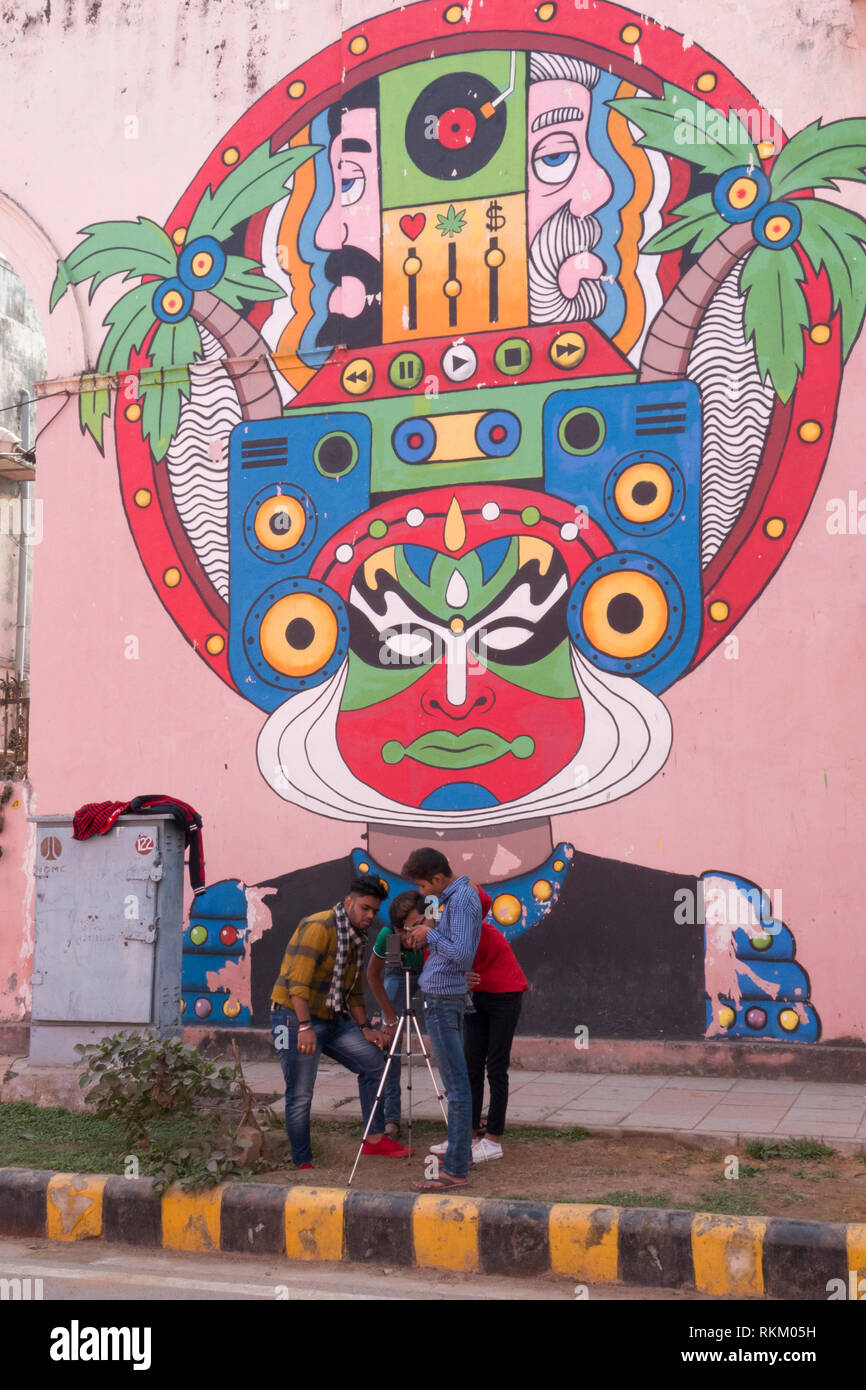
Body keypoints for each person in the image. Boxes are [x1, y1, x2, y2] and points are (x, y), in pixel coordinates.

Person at [269, 874, 411, 1167]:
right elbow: (297, 983)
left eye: (374, 911)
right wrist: (305, 1026)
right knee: (300, 1092)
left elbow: (355, 990)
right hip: (293, 1017)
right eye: (365, 908)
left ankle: (374, 1139)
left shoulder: (357, 936)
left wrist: (364, 1028)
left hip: (334, 1017)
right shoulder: (319, 927)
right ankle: (302, 1162)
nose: (370, 916)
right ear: (349, 902)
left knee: (374, 1064)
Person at [401, 848, 482, 1190]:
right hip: (444, 997)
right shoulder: (453, 896)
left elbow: (462, 953)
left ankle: (455, 1171)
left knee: (456, 1085)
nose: (421, 893)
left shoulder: (462, 899)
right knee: (457, 1082)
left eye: (422, 885)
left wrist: (428, 936)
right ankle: (459, 1158)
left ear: (436, 878)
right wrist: (428, 927)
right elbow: (446, 930)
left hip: (444, 999)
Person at [431, 916, 529, 1162]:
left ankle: (493, 1139)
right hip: (476, 995)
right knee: (470, 1068)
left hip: (505, 995)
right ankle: (467, 1136)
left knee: (495, 1069)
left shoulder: (476, 926)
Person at [366, 889, 426, 1138]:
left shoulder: (435, 930)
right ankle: (391, 1117)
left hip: (429, 975)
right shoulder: (388, 936)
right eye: (402, 930)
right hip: (398, 976)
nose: (407, 935)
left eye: (414, 927)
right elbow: (372, 976)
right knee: (390, 1045)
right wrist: (390, 1018)